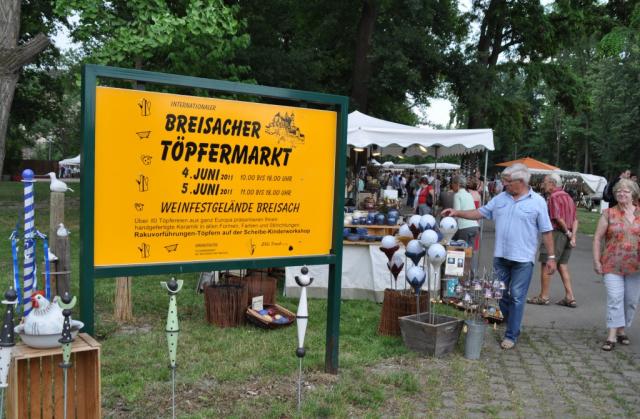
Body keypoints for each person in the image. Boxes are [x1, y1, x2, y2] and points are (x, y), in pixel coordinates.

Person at [442, 163, 556, 350]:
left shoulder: (538, 202)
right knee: (500, 294)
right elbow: (480, 212)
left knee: (517, 296)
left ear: (521, 181)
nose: (505, 185)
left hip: (523, 259)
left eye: (508, 182)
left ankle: (511, 334)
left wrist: (551, 257)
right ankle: (511, 321)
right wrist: (457, 212)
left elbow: (546, 230)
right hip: (501, 256)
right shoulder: (501, 198)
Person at [592, 178, 640, 351]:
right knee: (615, 298)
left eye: (626, 191)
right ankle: (612, 335)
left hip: (636, 267)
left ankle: (621, 329)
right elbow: (597, 238)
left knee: (631, 301)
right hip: (611, 264)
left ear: (633, 194)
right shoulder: (608, 213)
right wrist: (596, 260)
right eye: (619, 191)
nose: (621, 193)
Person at [527, 174, 578, 307]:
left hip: (556, 233)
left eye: (545, 182)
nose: (543, 185)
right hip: (567, 235)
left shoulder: (554, 197)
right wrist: (572, 235)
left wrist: (566, 232)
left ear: (552, 183)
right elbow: (575, 219)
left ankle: (544, 296)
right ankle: (570, 296)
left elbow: (557, 217)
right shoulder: (569, 197)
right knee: (562, 265)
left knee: (546, 262)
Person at [450, 175, 479, 247]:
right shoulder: (469, 194)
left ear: (457, 184)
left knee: (462, 250)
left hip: (464, 227)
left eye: (452, 183)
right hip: (474, 226)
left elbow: (456, 213)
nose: (452, 186)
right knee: (470, 250)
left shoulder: (457, 195)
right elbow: (474, 210)